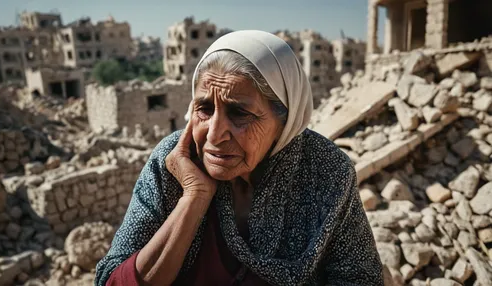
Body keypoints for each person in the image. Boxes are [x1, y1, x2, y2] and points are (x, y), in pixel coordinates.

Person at [95, 30, 383, 286]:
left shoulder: (325, 171)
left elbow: (360, 277)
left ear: (286, 121)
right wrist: (194, 197)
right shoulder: (173, 161)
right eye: (204, 108)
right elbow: (112, 280)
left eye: (239, 113)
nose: (214, 134)